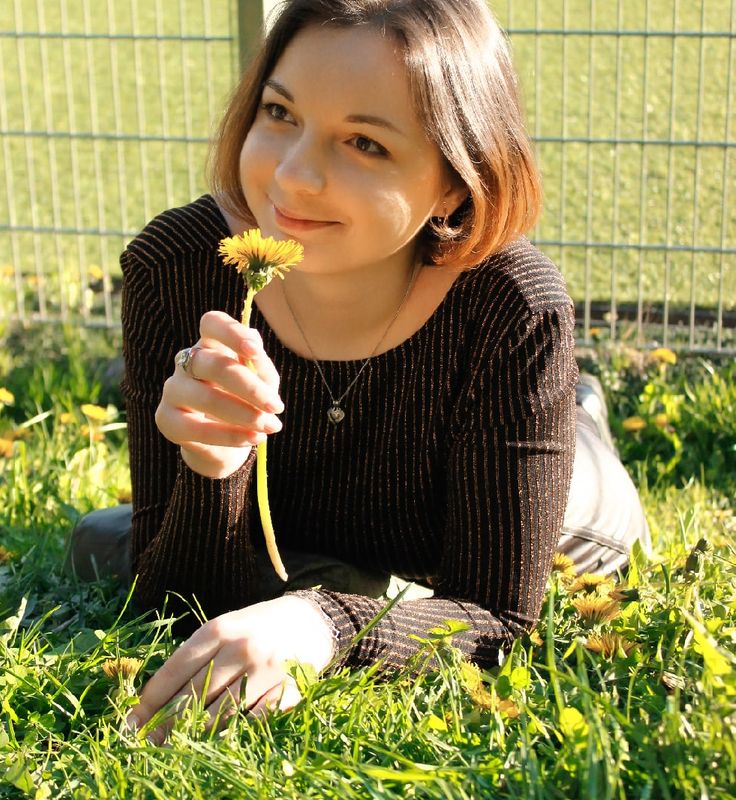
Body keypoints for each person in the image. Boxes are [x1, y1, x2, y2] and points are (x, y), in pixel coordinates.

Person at [67, 0, 651, 740]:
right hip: (321, 544)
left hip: (572, 510)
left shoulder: (513, 310)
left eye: (365, 145)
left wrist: (323, 626)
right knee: (99, 542)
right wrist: (213, 468)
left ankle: (576, 410)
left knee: (582, 513)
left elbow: (500, 615)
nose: (293, 174)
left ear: (453, 181)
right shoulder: (178, 269)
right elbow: (174, 595)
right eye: (280, 113)